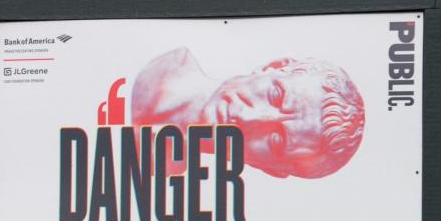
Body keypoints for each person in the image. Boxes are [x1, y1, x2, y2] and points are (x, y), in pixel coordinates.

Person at [130, 48, 365, 178]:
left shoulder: (165, 181)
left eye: (276, 140)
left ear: (270, 169)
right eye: (275, 95)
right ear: (272, 66)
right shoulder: (146, 62)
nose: (248, 119)